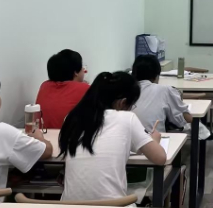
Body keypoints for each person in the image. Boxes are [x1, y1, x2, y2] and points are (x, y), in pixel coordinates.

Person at [59, 71, 166, 202]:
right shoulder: (127, 118)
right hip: (113, 204)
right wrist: (154, 140)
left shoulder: (71, 118)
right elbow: (160, 158)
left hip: (69, 205)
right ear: (122, 103)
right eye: (131, 105)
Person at [130, 55, 192, 132]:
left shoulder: (125, 89)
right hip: (154, 137)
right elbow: (187, 119)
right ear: (156, 75)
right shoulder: (165, 90)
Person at [35, 49, 90, 129]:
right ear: (76, 72)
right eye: (82, 67)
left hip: (42, 134)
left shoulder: (44, 86)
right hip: (69, 135)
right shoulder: (85, 88)